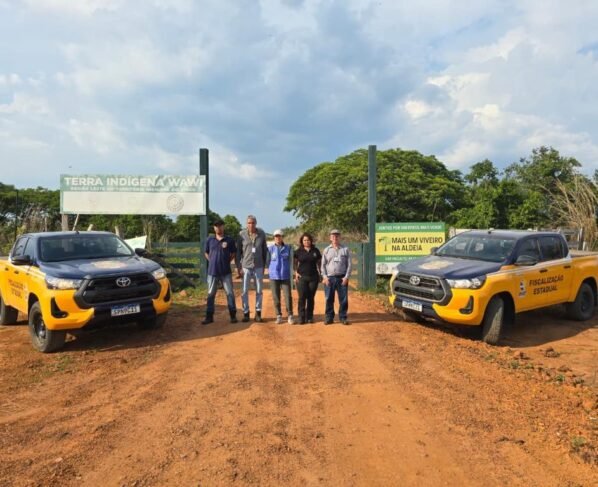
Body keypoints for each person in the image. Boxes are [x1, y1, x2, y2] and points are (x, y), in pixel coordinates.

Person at [202, 219, 237, 325]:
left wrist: (226, 261)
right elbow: (206, 253)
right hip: (212, 272)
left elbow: (233, 253)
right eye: (216, 226)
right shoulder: (210, 240)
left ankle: (233, 316)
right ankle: (209, 317)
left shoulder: (229, 240)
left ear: (223, 227)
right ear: (214, 228)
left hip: (226, 272)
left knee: (229, 293)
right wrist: (212, 261)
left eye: (220, 225)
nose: (218, 228)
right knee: (211, 294)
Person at [236, 214, 268, 322]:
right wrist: (239, 267)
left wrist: (264, 266)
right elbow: (238, 252)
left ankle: (258, 313)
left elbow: (264, 250)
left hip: (258, 266)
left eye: (253, 223)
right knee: (244, 291)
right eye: (249, 223)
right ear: (246, 224)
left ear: (256, 223)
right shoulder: (241, 234)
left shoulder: (261, 234)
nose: (251, 225)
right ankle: (246, 313)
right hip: (246, 266)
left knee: (259, 290)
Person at [321, 229, 352, 325]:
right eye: (333, 236)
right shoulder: (326, 250)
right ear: (330, 238)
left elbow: (349, 265)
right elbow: (323, 265)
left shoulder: (345, 249)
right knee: (329, 298)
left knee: (343, 299)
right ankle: (329, 317)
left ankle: (343, 317)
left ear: (340, 237)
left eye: (337, 236)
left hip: (342, 278)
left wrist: (346, 277)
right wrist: (325, 277)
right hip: (329, 278)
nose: (335, 237)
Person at [267, 229, 294, 324]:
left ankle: (290, 315)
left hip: (285, 275)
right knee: (276, 296)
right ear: (274, 238)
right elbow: (268, 261)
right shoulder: (270, 249)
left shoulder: (288, 248)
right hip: (274, 276)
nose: (278, 238)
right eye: (276, 236)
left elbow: (291, 261)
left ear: (282, 237)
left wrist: (291, 273)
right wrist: (271, 270)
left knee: (288, 296)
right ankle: (278, 315)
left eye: (279, 236)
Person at [293, 232, 322, 324]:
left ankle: (309, 317)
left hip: (313, 277)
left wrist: (321, 273)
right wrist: (296, 272)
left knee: (310, 297)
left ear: (311, 241)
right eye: (304, 240)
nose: (306, 242)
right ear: (302, 241)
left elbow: (319, 263)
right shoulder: (298, 251)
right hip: (302, 277)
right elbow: (294, 263)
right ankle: (301, 317)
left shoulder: (315, 251)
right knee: (302, 297)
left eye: (308, 240)